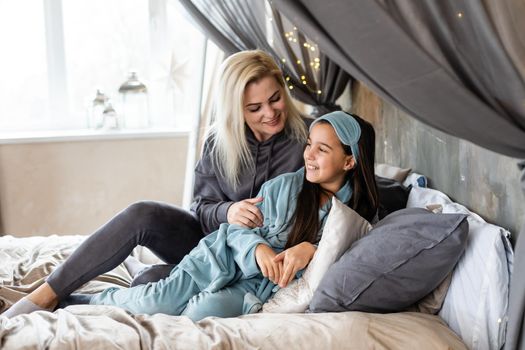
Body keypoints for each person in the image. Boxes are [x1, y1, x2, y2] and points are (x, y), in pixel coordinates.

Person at [1, 49, 312, 318]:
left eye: (275, 99)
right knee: (142, 213)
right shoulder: (220, 142)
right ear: (235, 109)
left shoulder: (312, 141)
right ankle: (45, 294)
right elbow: (201, 207)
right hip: (209, 248)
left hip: (261, 264)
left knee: (148, 282)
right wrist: (227, 212)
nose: (270, 113)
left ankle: (94, 293)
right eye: (254, 108)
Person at [5, 111, 379, 321]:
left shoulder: (350, 219)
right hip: (216, 256)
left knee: (201, 310)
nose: (309, 155)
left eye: (322, 149)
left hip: (253, 290)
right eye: (309, 146)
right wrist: (259, 251)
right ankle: (69, 302)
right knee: (152, 301)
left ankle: (139, 280)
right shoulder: (285, 186)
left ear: (349, 161)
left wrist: (309, 250)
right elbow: (230, 228)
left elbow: (353, 245)